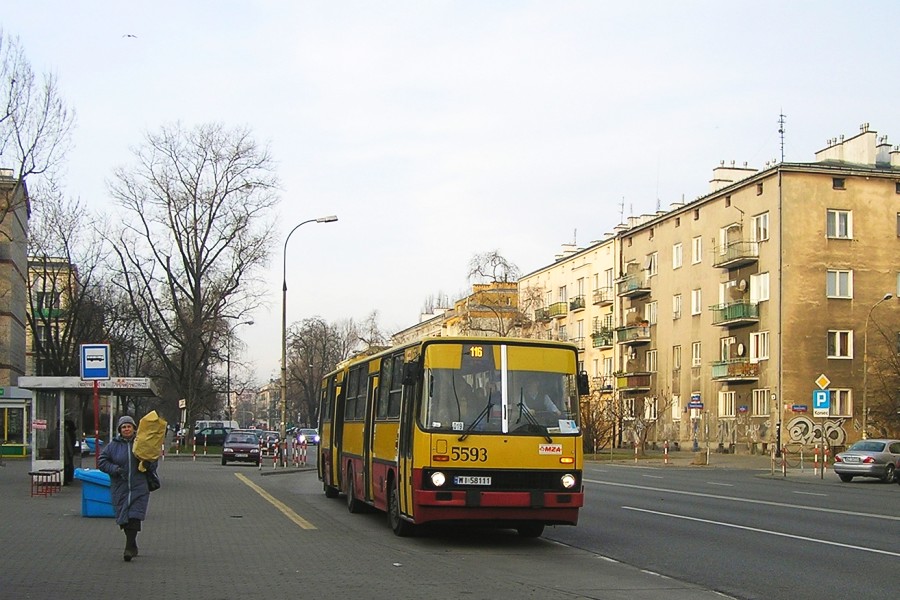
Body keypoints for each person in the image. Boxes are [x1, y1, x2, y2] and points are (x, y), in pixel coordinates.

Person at [98, 415, 158, 562]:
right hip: (121, 487)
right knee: (124, 518)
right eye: (124, 427)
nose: (126, 429)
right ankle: (133, 544)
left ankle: (128, 548)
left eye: (129, 426)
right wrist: (115, 469)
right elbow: (102, 462)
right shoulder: (112, 446)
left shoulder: (141, 443)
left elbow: (153, 459)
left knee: (135, 516)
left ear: (134, 428)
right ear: (120, 429)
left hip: (139, 486)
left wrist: (148, 464)